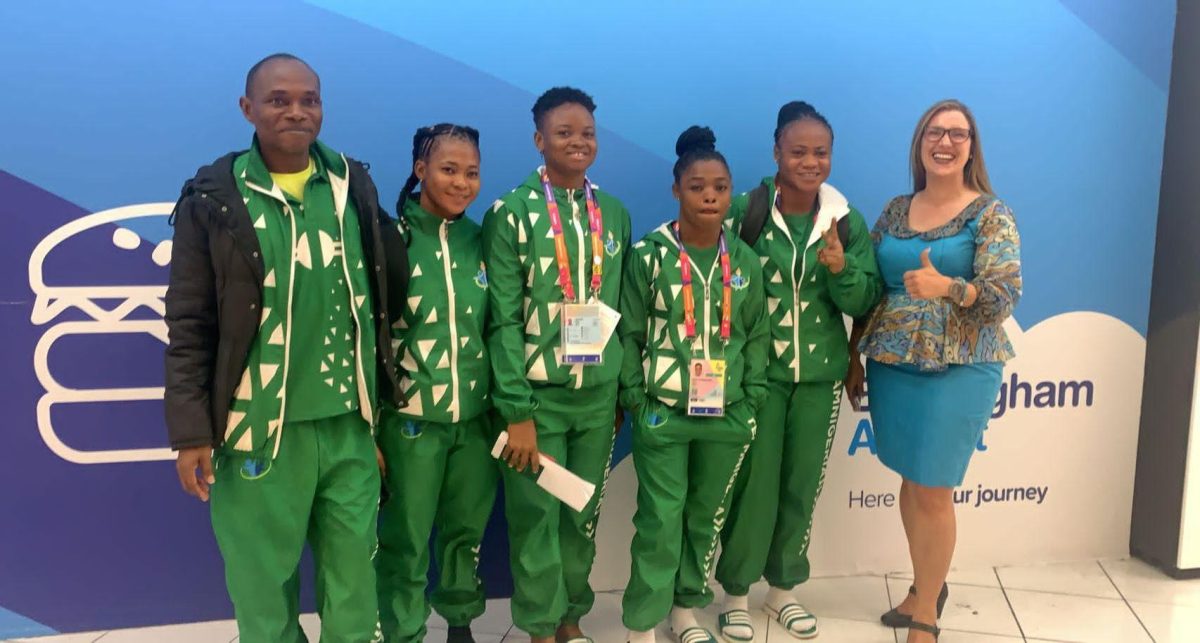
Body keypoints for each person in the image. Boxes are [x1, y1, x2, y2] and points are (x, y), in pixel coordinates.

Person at [165, 53, 408, 643]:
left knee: (354, 587)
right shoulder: (214, 197)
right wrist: (191, 432)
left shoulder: (351, 184)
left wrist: (376, 406)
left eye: (309, 100)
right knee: (263, 589)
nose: (296, 111)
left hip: (348, 427)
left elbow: (386, 287)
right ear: (247, 108)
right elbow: (190, 321)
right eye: (278, 100)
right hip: (258, 429)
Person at [715, 101, 882, 640]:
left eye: (821, 152)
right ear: (776, 153)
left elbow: (866, 299)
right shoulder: (745, 211)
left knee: (800, 487)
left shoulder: (844, 220)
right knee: (753, 488)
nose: (810, 162)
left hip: (819, 378)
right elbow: (714, 282)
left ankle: (783, 590)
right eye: (798, 151)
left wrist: (841, 268)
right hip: (757, 378)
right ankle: (735, 594)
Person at [859, 99, 1021, 643]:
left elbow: (1004, 295)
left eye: (957, 133)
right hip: (892, 365)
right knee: (910, 481)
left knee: (933, 489)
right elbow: (871, 286)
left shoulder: (990, 214)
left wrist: (948, 286)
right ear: (919, 143)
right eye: (934, 132)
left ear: (972, 147)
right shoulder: (894, 210)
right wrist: (854, 351)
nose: (945, 142)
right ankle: (923, 586)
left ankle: (926, 613)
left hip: (960, 366)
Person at [481, 86, 632, 643]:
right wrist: (516, 410)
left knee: (580, 513)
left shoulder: (613, 214)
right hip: (536, 403)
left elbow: (618, 306)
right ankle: (541, 627)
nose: (578, 142)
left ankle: (571, 618)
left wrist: (616, 391)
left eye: (587, 133)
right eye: (564, 132)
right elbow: (502, 320)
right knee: (537, 517)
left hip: (596, 400)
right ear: (539, 140)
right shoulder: (510, 214)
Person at [619, 126, 769, 643]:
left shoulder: (744, 261)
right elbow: (630, 331)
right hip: (663, 412)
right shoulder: (649, 255)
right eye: (697, 186)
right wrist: (636, 399)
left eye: (720, 187)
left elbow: (756, 335)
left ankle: (685, 609)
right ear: (676, 190)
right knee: (660, 519)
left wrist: (751, 400)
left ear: (731, 193)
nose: (710, 196)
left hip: (727, 413)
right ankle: (642, 622)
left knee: (706, 517)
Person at [375, 124, 496, 643]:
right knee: (405, 537)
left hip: (474, 421)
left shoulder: (483, 241)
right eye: (449, 169)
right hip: (409, 423)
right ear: (420, 169)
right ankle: (403, 631)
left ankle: (460, 623)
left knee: (465, 532)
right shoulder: (387, 240)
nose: (462, 183)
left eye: (472, 173)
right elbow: (366, 337)